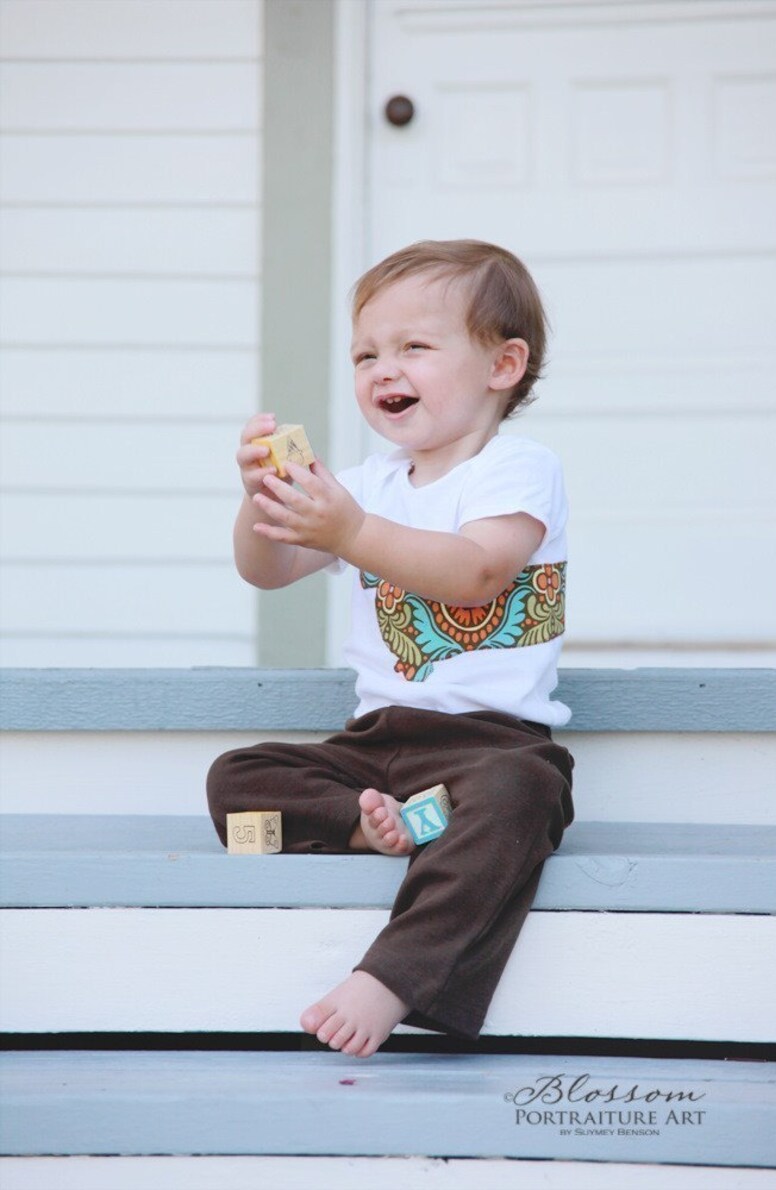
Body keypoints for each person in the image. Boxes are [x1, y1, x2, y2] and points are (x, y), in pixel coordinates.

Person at [207, 239, 574, 1058]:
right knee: (235, 787)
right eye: (366, 352)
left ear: (502, 364)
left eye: (413, 346)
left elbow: (478, 574)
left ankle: (393, 977)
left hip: (490, 748)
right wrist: (261, 504)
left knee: (526, 796)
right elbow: (269, 571)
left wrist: (351, 530)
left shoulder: (517, 470)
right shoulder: (369, 485)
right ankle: (364, 831)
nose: (383, 367)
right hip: (379, 751)